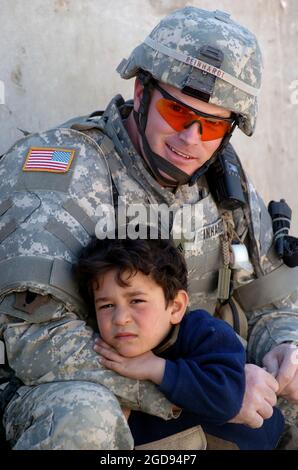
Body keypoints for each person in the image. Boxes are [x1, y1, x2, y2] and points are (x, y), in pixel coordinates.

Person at [0, 6, 297, 449]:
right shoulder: (61, 169)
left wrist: (285, 350)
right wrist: (191, 392)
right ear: (141, 92)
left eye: (213, 124)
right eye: (177, 113)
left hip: (200, 377)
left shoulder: (224, 183)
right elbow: (39, 342)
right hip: (76, 388)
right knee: (85, 417)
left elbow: (271, 301)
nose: (191, 139)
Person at [76, 234, 284, 450]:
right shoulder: (99, 348)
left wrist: (157, 368)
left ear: (175, 307)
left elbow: (228, 400)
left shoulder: (206, 333)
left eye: (136, 301)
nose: (120, 318)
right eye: (106, 306)